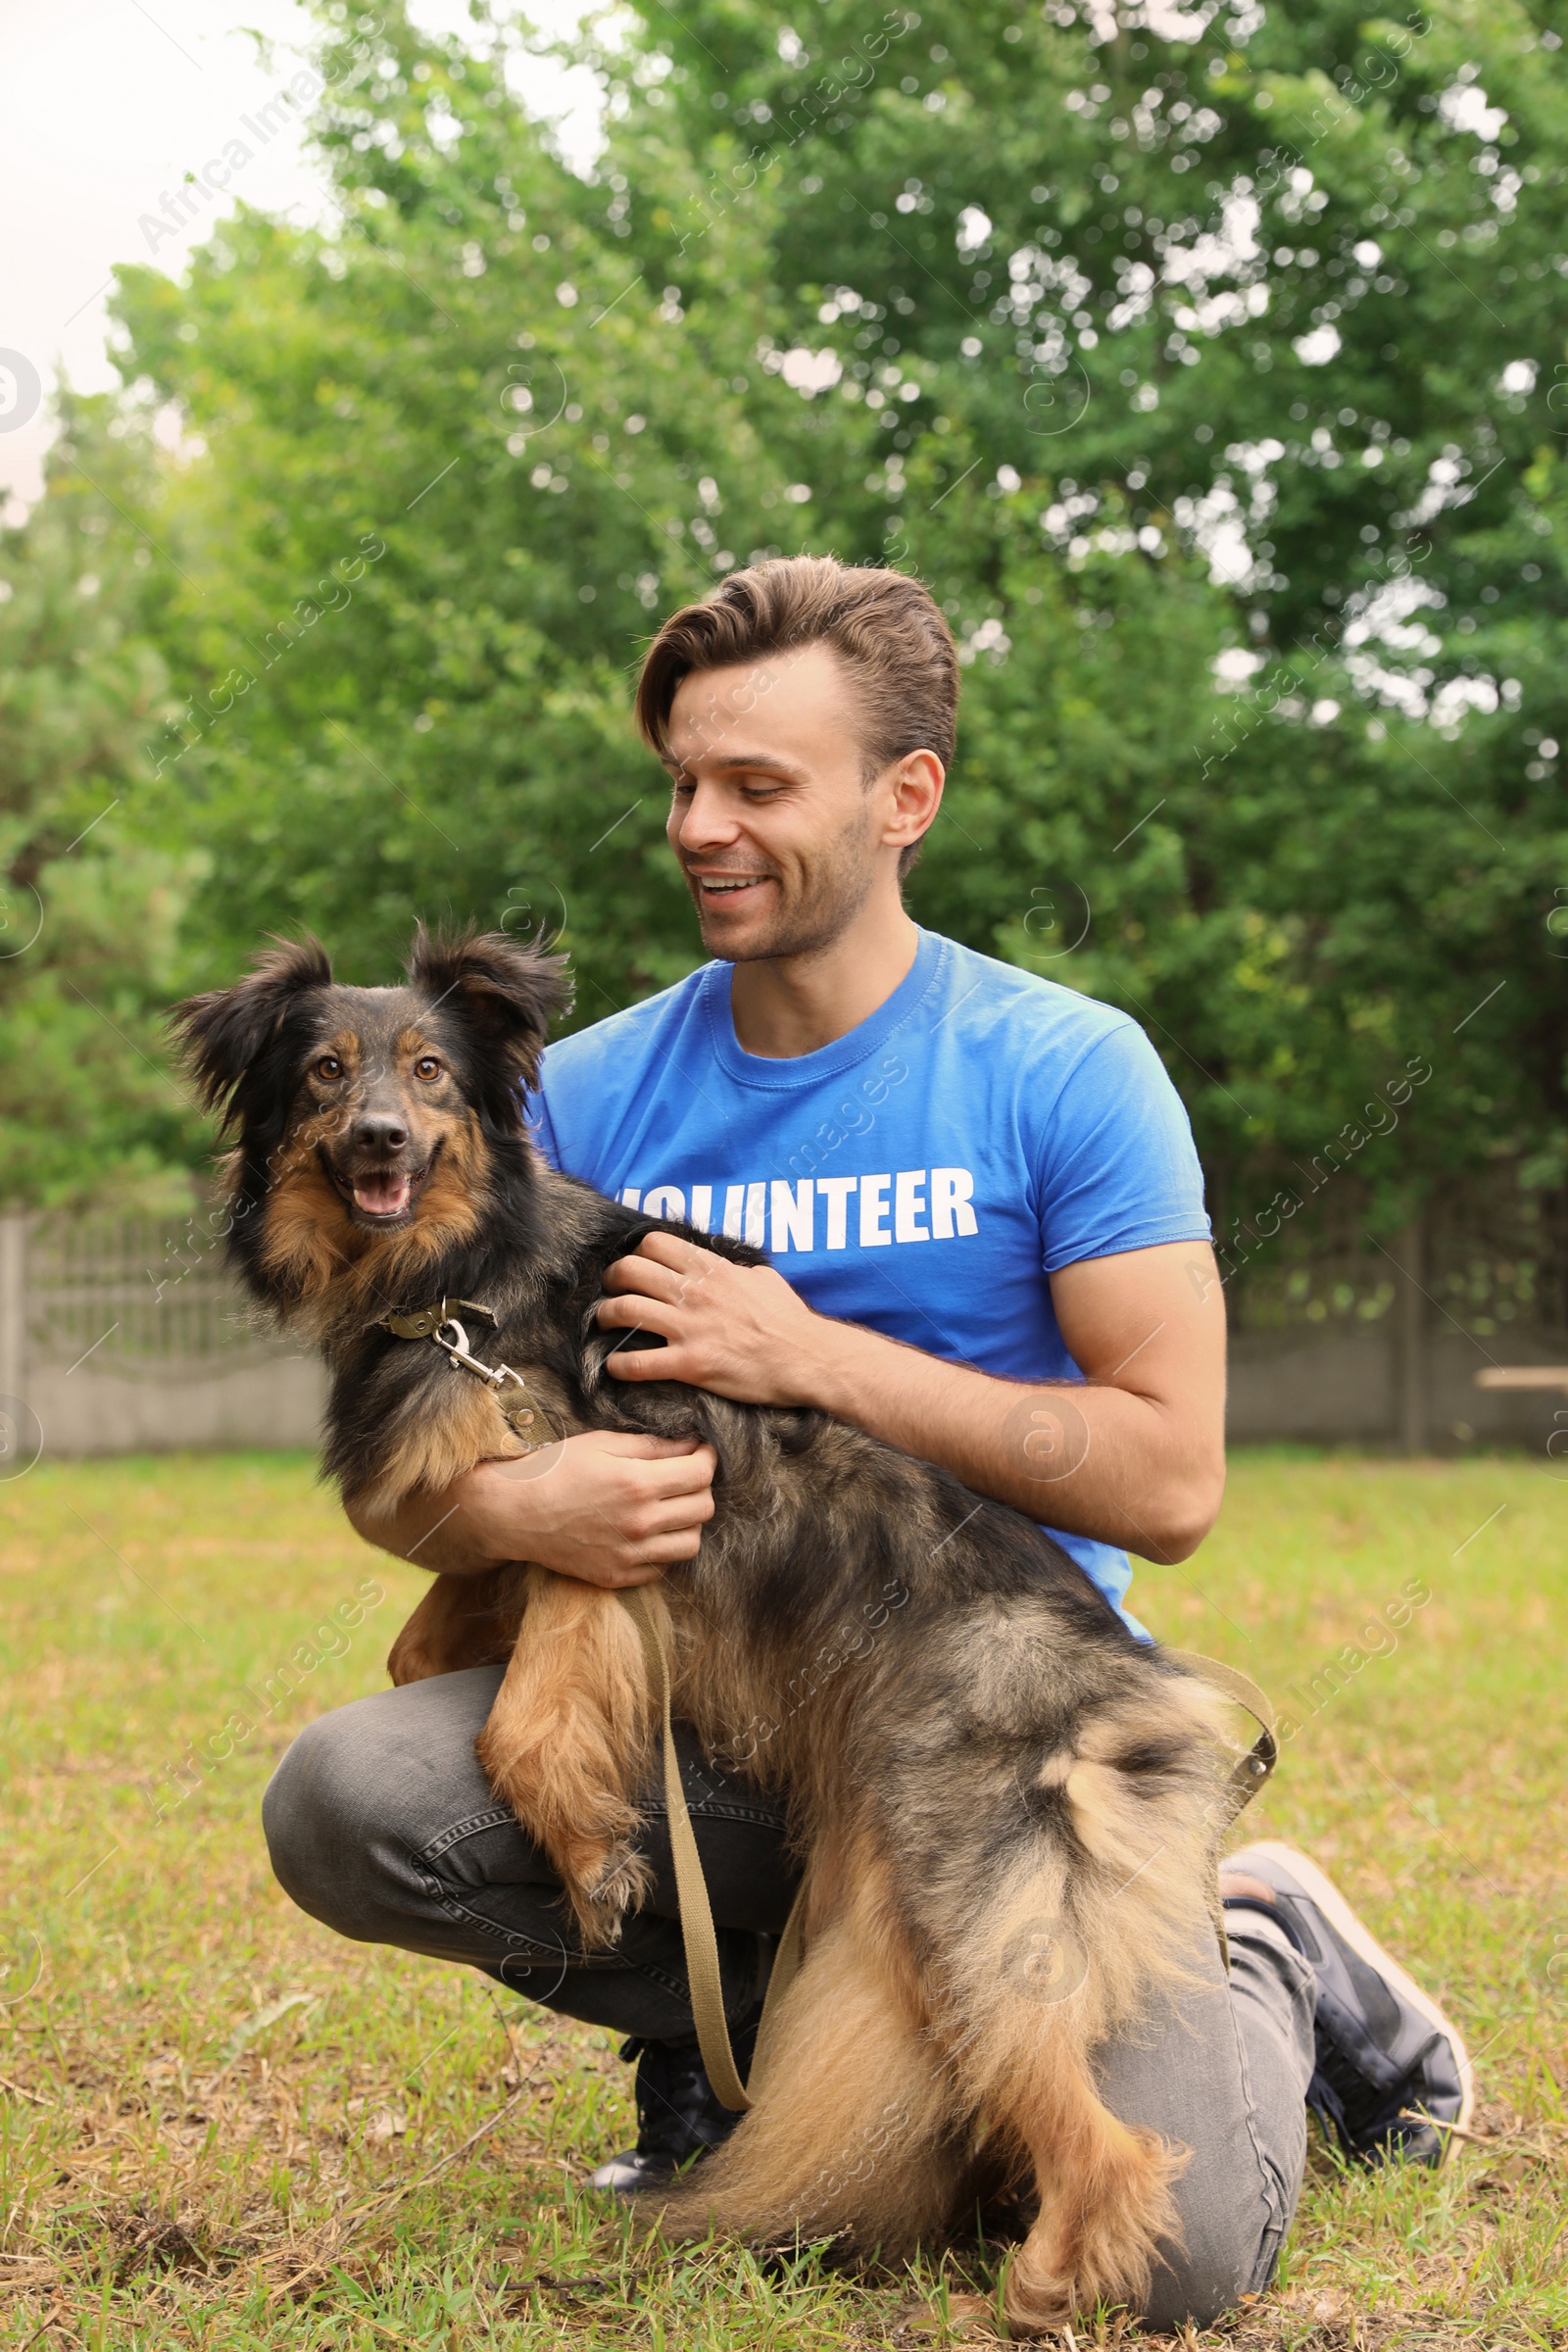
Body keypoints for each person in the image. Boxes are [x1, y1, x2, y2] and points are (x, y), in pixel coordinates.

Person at [263, 557, 1471, 2327]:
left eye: (758, 786)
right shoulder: (573, 1097)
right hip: (725, 1716)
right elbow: (426, 1453)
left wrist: (819, 1358)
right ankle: (731, 2023)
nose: (700, 825)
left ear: (907, 798)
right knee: (354, 1801)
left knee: (1167, 2265)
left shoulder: (1066, 1069)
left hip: (1000, 1726)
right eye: (684, 780)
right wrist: (528, 1503)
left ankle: (1266, 1938)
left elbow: (1172, 1481)